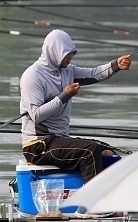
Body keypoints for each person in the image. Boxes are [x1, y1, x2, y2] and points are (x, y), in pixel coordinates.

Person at [20, 30, 131, 183]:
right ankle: (91, 204)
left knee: (106, 152)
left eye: (72, 53)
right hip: (38, 145)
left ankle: (111, 201)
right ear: (54, 52)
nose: (70, 57)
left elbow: (93, 74)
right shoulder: (32, 76)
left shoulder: (68, 70)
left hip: (59, 140)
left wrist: (115, 65)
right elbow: (37, 116)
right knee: (89, 151)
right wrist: (65, 96)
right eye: (67, 54)